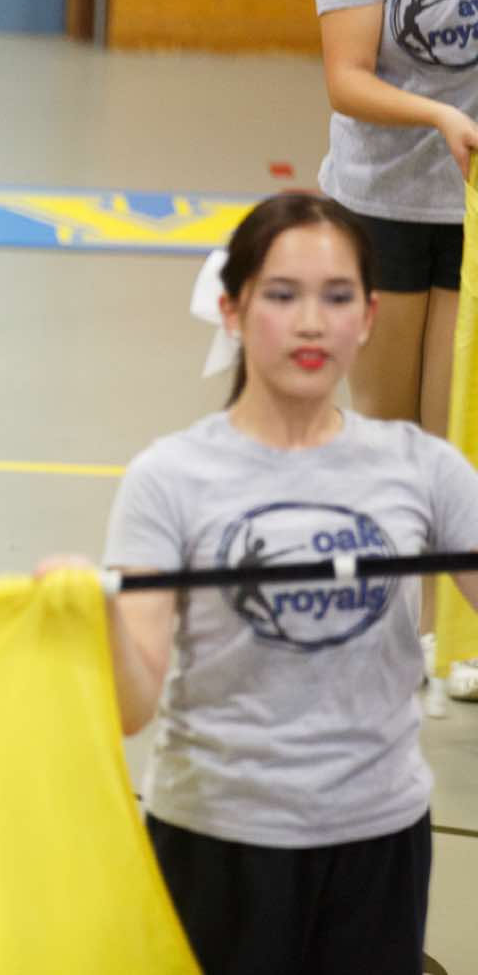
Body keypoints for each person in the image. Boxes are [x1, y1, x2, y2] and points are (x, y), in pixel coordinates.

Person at [40, 194, 478, 973]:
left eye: (337, 297)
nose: (311, 323)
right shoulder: (168, 478)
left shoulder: (426, 469)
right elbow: (133, 706)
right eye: (282, 295)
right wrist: (92, 612)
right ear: (233, 310)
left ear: (369, 317)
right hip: (217, 842)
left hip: (378, 841)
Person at [316, 0, 478, 713]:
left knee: (456, 431)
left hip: (471, 216)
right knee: (387, 431)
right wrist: (440, 116)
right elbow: (346, 78)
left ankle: (455, 634)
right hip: (381, 203)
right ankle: (386, 631)